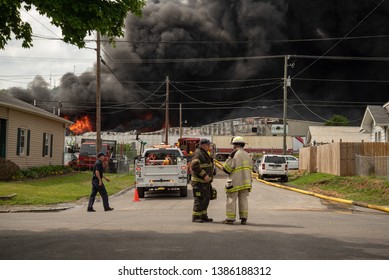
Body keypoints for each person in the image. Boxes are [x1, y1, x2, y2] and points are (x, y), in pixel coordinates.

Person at [222, 136, 252, 225]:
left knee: (231, 199)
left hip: (235, 181)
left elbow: (227, 169)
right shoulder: (247, 155)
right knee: (243, 199)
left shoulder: (234, 154)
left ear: (235, 145)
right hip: (246, 182)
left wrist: (229, 158)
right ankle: (244, 219)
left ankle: (230, 219)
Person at [190, 138, 214, 223]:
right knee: (199, 199)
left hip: (205, 182)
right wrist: (204, 175)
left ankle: (203, 216)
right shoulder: (198, 153)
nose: (209, 147)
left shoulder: (204, 153)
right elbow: (194, 166)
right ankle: (196, 217)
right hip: (198, 182)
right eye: (208, 145)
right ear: (204, 145)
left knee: (206, 199)